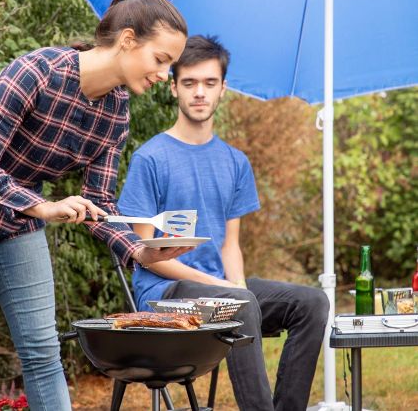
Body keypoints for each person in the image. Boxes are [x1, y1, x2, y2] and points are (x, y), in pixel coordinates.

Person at [0, 0, 189, 411]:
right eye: (161, 60)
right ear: (128, 39)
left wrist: (141, 251)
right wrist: (43, 207)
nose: (163, 76)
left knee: (43, 347)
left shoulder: (116, 112)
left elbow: (99, 201)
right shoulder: (37, 71)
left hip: (18, 211)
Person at [118, 35, 330, 411]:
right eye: (190, 83)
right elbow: (144, 254)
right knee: (238, 302)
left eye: (209, 83)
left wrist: (237, 286)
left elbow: (230, 245)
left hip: (221, 292)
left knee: (312, 302)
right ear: (174, 88)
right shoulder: (150, 159)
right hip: (164, 295)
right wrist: (228, 289)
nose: (199, 93)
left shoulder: (235, 162)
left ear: (222, 89)